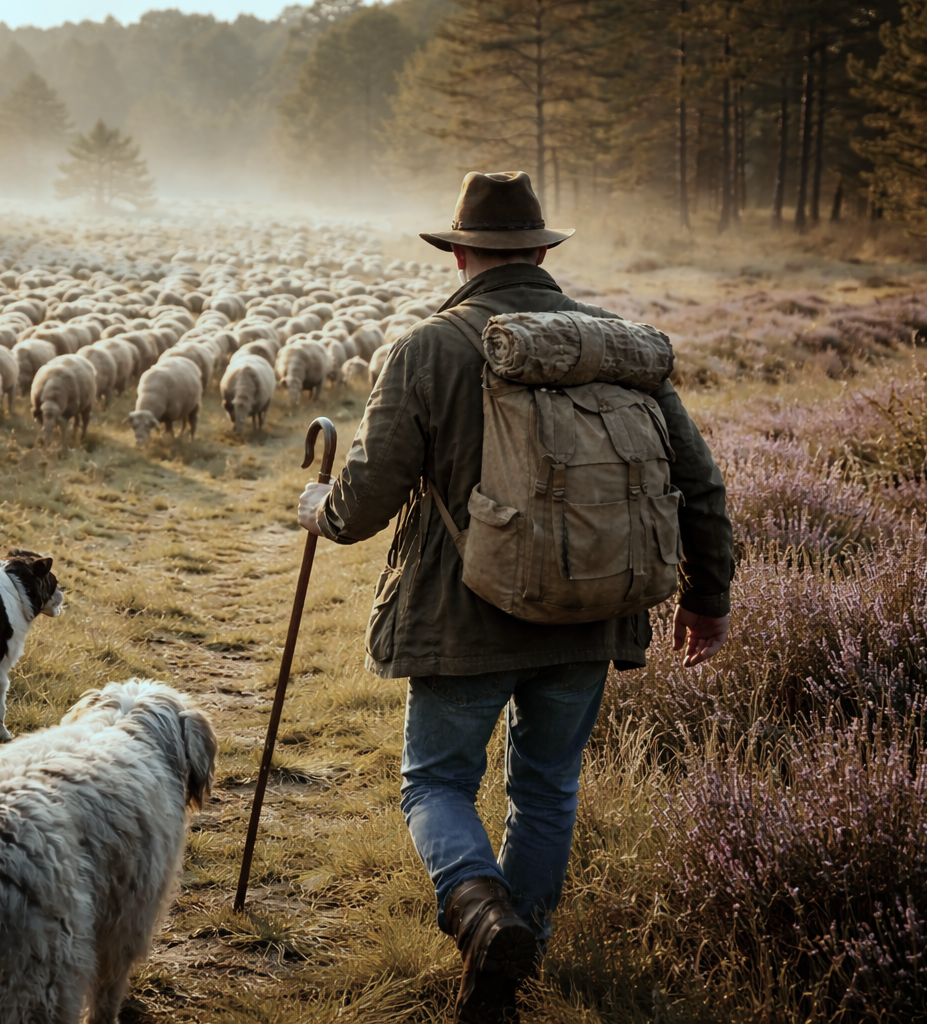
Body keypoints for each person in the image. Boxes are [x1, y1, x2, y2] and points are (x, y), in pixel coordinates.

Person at [296, 171, 733, 1022]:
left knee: (435, 784)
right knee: (547, 788)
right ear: (541, 249)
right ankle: (515, 959)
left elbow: (364, 500)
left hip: (466, 617)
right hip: (593, 614)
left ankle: (481, 912)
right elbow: (700, 484)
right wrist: (706, 598)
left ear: (460, 252)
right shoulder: (616, 345)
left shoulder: (429, 347)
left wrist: (319, 509)